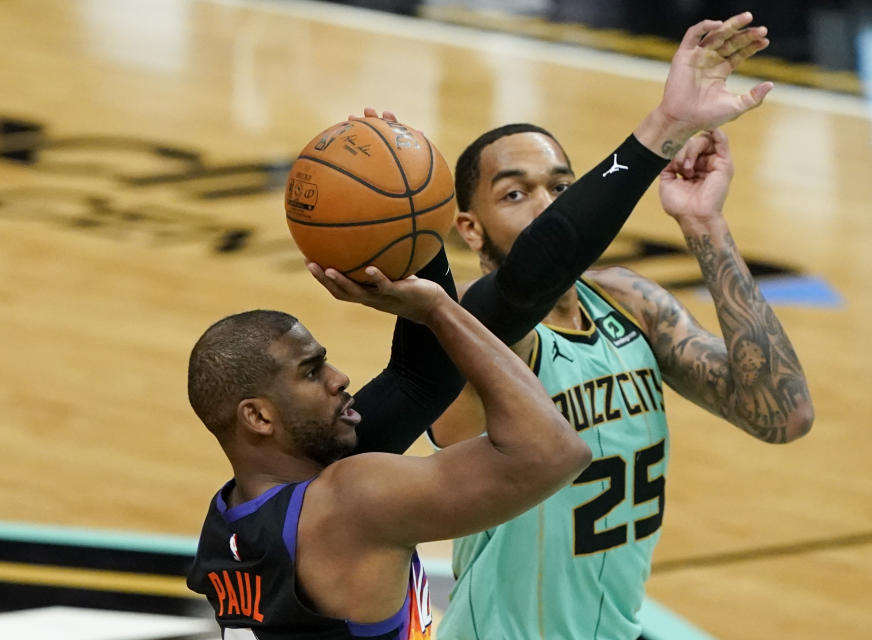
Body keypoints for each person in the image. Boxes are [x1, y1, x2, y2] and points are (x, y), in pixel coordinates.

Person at [429, 16, 816, 640]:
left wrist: (704, 226)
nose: (547, 207)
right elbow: (533, 272)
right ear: (469, 229)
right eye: (514, 194)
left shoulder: (628, 301)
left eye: (561, 187)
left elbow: (782, 415)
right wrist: (661, 128)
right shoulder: (476, 326)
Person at [185, 259, 592, 638]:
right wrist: (435, 309)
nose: (339, 378)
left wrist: (418, 245)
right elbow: (553, 451)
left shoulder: (228, 523)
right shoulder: (351, 502)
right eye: (311, 372)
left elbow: (421, 378)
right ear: (258, 417)